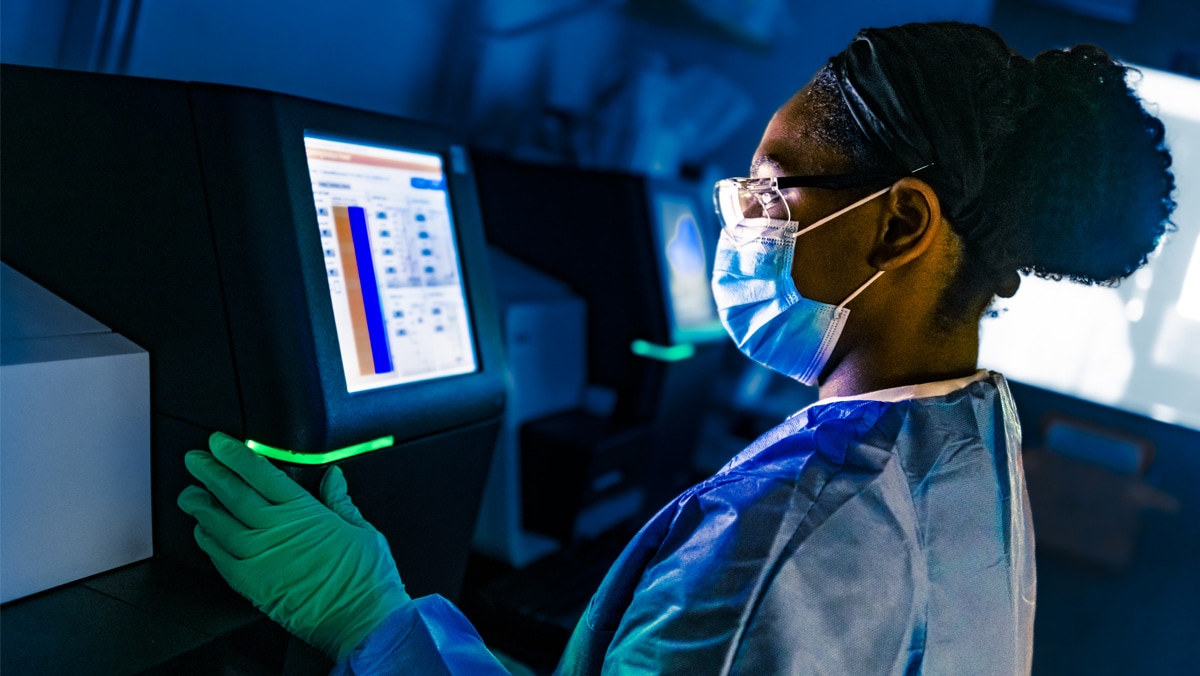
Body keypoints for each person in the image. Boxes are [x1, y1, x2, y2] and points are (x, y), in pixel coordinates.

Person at [178, 21, 1176, 675]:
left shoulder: (795, 527)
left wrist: (374, 622)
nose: (739, 227)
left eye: (771, 191)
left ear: (899, 227)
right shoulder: (970, 441)